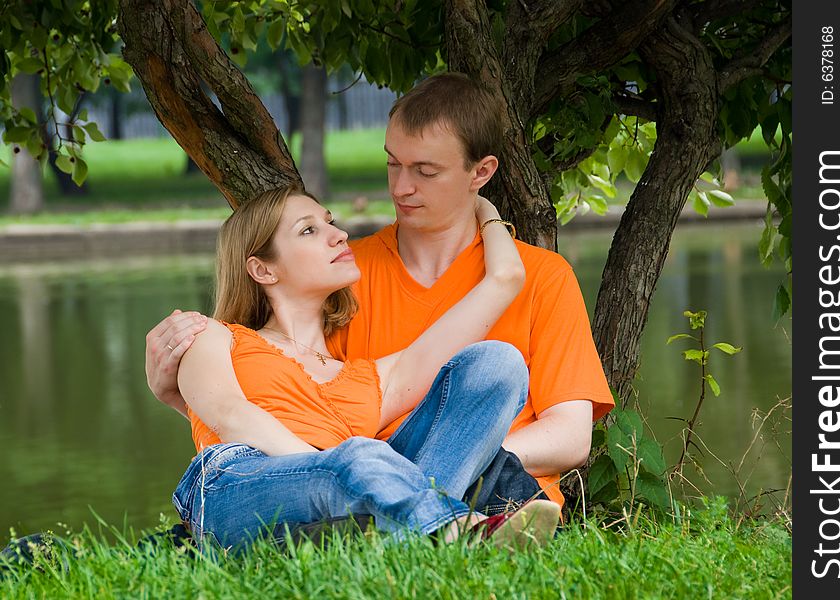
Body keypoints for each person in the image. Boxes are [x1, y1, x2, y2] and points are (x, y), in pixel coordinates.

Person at [147, 73, 614, 515]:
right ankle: (424, 517)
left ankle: (417, 511)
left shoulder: (543, 276)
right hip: (345, 477)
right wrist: (185, 400)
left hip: (476, 485)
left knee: (497, 363)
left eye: (426, 171)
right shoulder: (342, 277)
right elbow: (284, 407)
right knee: (356, 470)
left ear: (481, 171)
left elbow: (571, 440)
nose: (401, 187)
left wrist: (443, 458)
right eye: (394, 163)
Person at [170, 184, 562, 550]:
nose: (338, 235)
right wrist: (332, 462)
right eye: (308, 230)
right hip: (236, 487)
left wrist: (480, 204)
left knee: (497, 363)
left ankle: (404, 537)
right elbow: (230, 415)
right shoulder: (214, 336)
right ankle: (456, 529)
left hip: (355, 492)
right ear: (263, 270)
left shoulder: (370, 378)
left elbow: (504, 280)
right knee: (361, 454)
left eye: (331, 222)